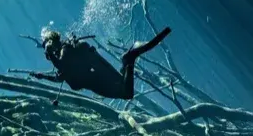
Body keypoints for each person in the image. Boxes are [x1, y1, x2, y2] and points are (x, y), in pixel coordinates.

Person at [32, 27, 171, 100]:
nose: (46, 51)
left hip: (103, 81)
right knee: (124, 87)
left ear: (52, 43)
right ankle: (128, 58)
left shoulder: (65, 50)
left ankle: (130, 57)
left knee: (126, 93)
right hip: (102, 80)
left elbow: (62, 66)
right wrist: (42, 76)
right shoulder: (63, 57)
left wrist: (50, 53)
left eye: (46, 45)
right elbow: (59, 78)